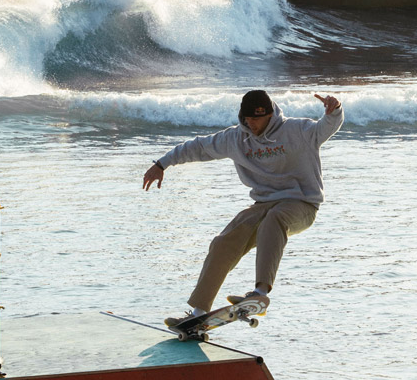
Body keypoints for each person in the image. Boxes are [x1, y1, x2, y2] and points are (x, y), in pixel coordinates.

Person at [142, 89, 343, 324]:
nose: (251, 124)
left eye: (256, 119)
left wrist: (334, 111)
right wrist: (162, 164)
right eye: (247, 119)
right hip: (263, 204)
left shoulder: (298, 130)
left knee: (274, 219)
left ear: (270, 115)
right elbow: (198, 147)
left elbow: (325, 128)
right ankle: (198, 313)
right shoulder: (236, 139)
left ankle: (260, 293)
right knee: (223, 242)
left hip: (302, 204)